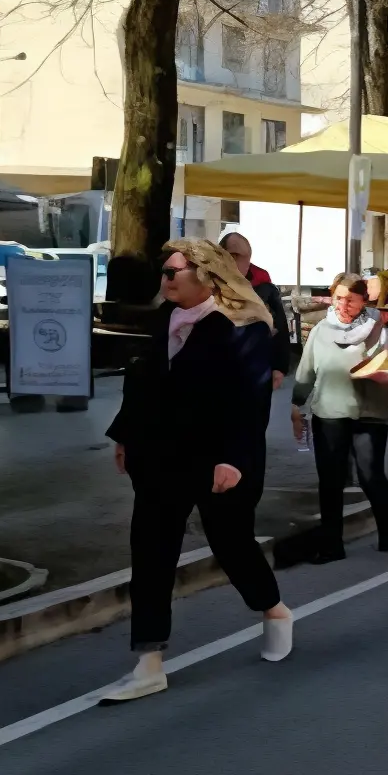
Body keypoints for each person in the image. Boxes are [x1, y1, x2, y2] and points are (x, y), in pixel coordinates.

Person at [102, 239, 292, 702]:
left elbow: (250, 399)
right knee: (150, 553)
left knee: (231, 544)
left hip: (215, 458)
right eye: (163, 273)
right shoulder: (162, 318)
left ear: (205, 275)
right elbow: (142, 383)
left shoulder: (239, 326)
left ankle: (273, 609)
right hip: (159, 457)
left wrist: (234, 458)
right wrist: (126, 436)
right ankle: (148, 662)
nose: (165, 280)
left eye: (173, 273)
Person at [291, 272, 388, 561]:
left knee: (370, 475)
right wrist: (296, 404)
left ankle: (387, 532)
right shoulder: (321, 330)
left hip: (369, 412)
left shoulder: (379, 329)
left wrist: (384, 374)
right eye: (339, 297)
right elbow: (306, 371)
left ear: (364, 300)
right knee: (331, 480)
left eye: (351, 299)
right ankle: (332, 544)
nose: (344, 304)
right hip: (329, 412)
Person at [219, 232, 293, 397]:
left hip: (257, 371)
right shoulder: (208, 284)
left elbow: (280, 327)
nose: (239, 261)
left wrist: (279, 367)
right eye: (233, 255)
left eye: (244, 256)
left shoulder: (264, 288)